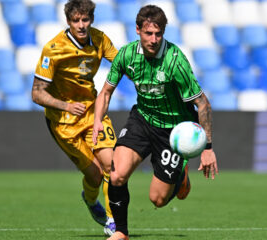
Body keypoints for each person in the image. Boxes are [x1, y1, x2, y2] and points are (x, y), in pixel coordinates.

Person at [92, 5, 218, 240]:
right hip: (142, 119)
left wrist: (207, 148)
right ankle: (120, 231)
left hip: (173, 131)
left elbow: (203, 104)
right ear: (138, 30)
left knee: (158, 200)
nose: (153, 39)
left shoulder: (175, 60)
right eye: (148, 33)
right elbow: (106, 92)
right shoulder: (127, 54)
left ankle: (180, 176)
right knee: (117, 174)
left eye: (158, 34)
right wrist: (97, 120)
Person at [31, 0, 118, 236]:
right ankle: (90, 201)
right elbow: (36, 93)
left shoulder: (100, 39)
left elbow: (121, 63)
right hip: (63, 122)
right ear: (68, 21)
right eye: (76, 20)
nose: (81, 25)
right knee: (95, 175)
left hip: (93, 113)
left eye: (85, 20)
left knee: (111, 165)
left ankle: (113, 221)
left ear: (91, 19)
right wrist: (65, 105)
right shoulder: (54, 49)